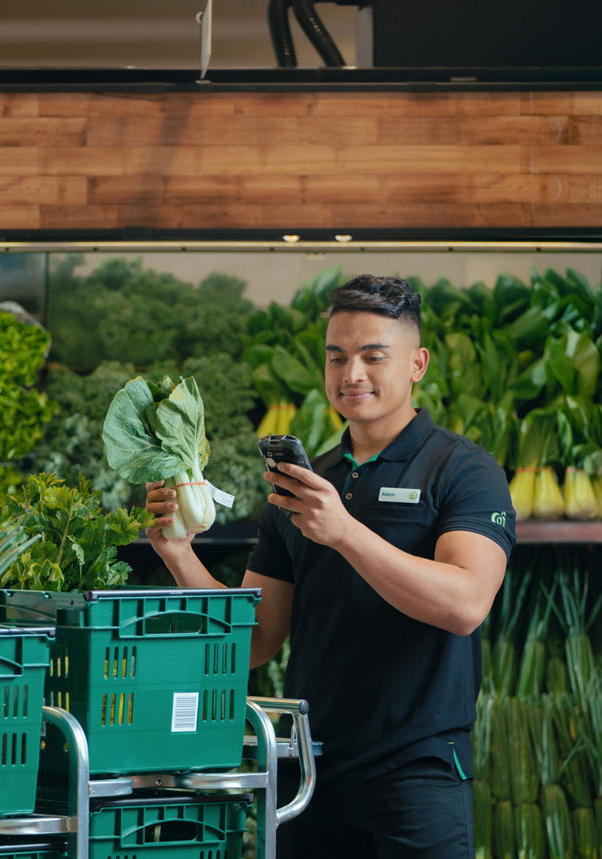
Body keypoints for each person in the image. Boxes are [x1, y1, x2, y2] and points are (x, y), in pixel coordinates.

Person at [143, 274, 516, 858]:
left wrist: (344, 532)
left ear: (417, 363)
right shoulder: (303, 485)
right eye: (337, 357)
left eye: (373, 356)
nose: (352, 375)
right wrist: (178, 555)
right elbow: (257, 641)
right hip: (309, 769)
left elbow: (466, 604)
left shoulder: (463, 471)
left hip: (417, 772)